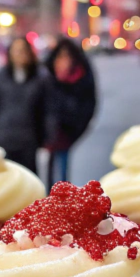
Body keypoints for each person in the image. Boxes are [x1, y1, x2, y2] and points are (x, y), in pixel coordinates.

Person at [0, 36, 47, 176]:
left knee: (27, 183)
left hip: (28, 142)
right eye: (15, 51)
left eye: (23, 51)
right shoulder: (0, 77)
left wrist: (44, 138)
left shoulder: (40, 78)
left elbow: (47, 112)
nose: (19, 54)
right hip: (1, 139)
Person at [44, 39, 97, 186]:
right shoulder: (47, 76)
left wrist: (76, 124)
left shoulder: (81, 76)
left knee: (61, 170)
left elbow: (89, 104)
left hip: (68, 130)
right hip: (48, 131)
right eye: (60, 56)